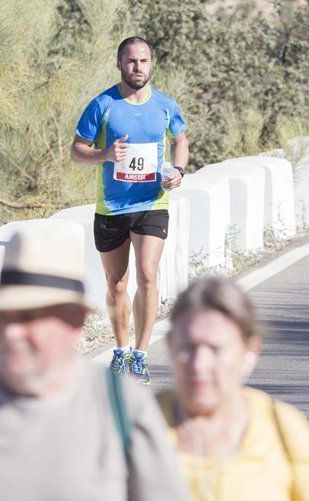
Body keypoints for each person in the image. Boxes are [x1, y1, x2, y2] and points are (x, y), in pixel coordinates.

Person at [0, 224, 200, 501]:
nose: (11, 332)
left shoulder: (122, 405)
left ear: (74, 322)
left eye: (29, 317)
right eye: (3, 315)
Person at [160, 276, 309, 501]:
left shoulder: (282, 426)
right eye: (188, 348)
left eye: (216, 349)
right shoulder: (137, 425)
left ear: (249, 350)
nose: (199, 364)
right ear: (169, 344)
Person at [70, 36, 188, 384]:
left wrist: (177, 171)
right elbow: (77, 150)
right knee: (116, 284)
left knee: (148, 275)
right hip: (112, 206)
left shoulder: (165, 105)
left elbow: (179, 139)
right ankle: (120, 351)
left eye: (145, 61)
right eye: (132, 61)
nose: (139, 67)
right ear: (120, 64)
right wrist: (104, 155)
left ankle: (141, 353)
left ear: (152, 64)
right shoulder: (103, 104)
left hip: (152, 203)